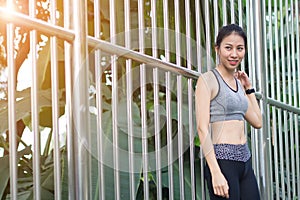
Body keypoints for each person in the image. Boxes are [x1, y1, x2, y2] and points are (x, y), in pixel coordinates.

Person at [195, 24, 262, 199]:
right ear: (217, 49)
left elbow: (257, 122)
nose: (234, 54)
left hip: (245, 161)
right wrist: (215, 172)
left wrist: (248, 89)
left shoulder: (238, 84)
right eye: (228, 48)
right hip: (223, 161)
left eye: (239, 48)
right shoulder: (207, 80)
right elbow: (202, 128)